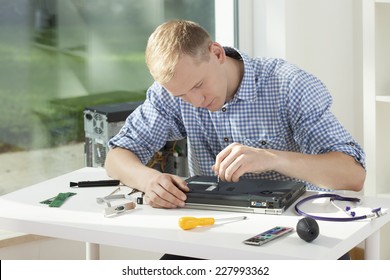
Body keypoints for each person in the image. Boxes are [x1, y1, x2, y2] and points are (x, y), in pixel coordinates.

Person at [105, 20, 366, 259]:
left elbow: (353, 175)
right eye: (183, 96)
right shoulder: (171, 93)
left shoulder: (289, 85)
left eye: (198, 85)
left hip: (295, 233)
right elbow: (117, 156)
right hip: (215, 233)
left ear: (217, 53)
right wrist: (149, 180)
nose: (196, 102)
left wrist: (270, 158)